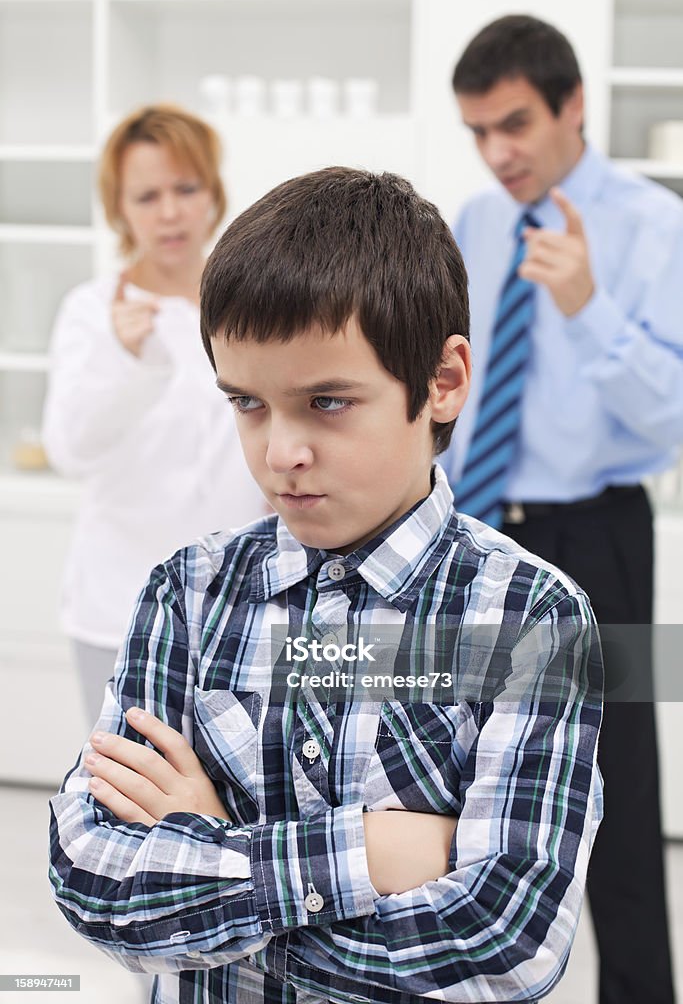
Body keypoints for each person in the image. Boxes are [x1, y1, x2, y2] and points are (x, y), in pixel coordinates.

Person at [49, 166, 603, 1004]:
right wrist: (379, 853)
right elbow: (96, 881)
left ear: (442, 382)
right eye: (247, 403)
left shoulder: (531, 618)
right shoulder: (186, 595)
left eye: (328, 402)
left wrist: (212, 850)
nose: (280, 454)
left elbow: (502, 943)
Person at [441, 14, 683, 1004]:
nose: (497, 153)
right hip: (477, 523)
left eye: (513, 124)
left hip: (594, 532)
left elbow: (668, 419)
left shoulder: (648, 225)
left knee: (616, 792)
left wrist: (585, 303)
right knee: (461, 774)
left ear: (571, 106)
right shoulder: (474, 219)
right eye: (477, 132)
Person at [42, 104, 263, 725]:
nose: (169, 212)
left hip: (236, 599)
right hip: (119, 601)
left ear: (212, 194)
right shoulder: (93, 311)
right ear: (120, 210)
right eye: (146, 196)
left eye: (185, 189)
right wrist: (129, 362)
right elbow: (69, 449)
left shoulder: (250, 306)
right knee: (124, 794)